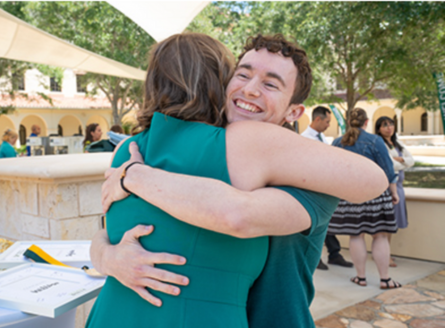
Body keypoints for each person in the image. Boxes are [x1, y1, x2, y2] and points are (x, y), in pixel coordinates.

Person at [89, 33, 388, 328]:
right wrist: (107, 256)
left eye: (270, 84)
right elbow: (108, 228)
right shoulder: (199, 147)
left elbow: (237, 215)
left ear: (294, 112)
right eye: (242, 75)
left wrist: (134, 176)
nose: (251, 90)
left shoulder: (313, 178)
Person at [328, 108, 401, 289]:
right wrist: (394, 192)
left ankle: (361, 277)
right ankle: (385, 279)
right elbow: (388, 170)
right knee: (380, 236)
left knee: (355, 236)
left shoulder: (338, 142)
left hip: (350, 196)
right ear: (366, 122)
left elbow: (330, 171)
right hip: (376, 194)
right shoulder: (375, 140)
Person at [301, 106, 353, 270]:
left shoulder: (322, 137)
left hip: (324, 188)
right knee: (316, 225)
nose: (329, 125)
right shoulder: (304, 139)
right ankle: (319, 257)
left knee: (326, 223)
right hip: (311, 189)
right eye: (327, 121)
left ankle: (334, 254)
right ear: (317, 119)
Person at [375, 116, 415, 267]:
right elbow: (389, 166)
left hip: (398, 187)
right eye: (384, 125)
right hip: (387, 188)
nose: (388, 128)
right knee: (386, 223)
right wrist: (400, 161)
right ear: (378, 128)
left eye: (391, 124)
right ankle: (385, 255)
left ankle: (386, 253)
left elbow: (411, 160)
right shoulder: (379, 144)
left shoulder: (397, 143)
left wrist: (401, 161)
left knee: (393, 224)